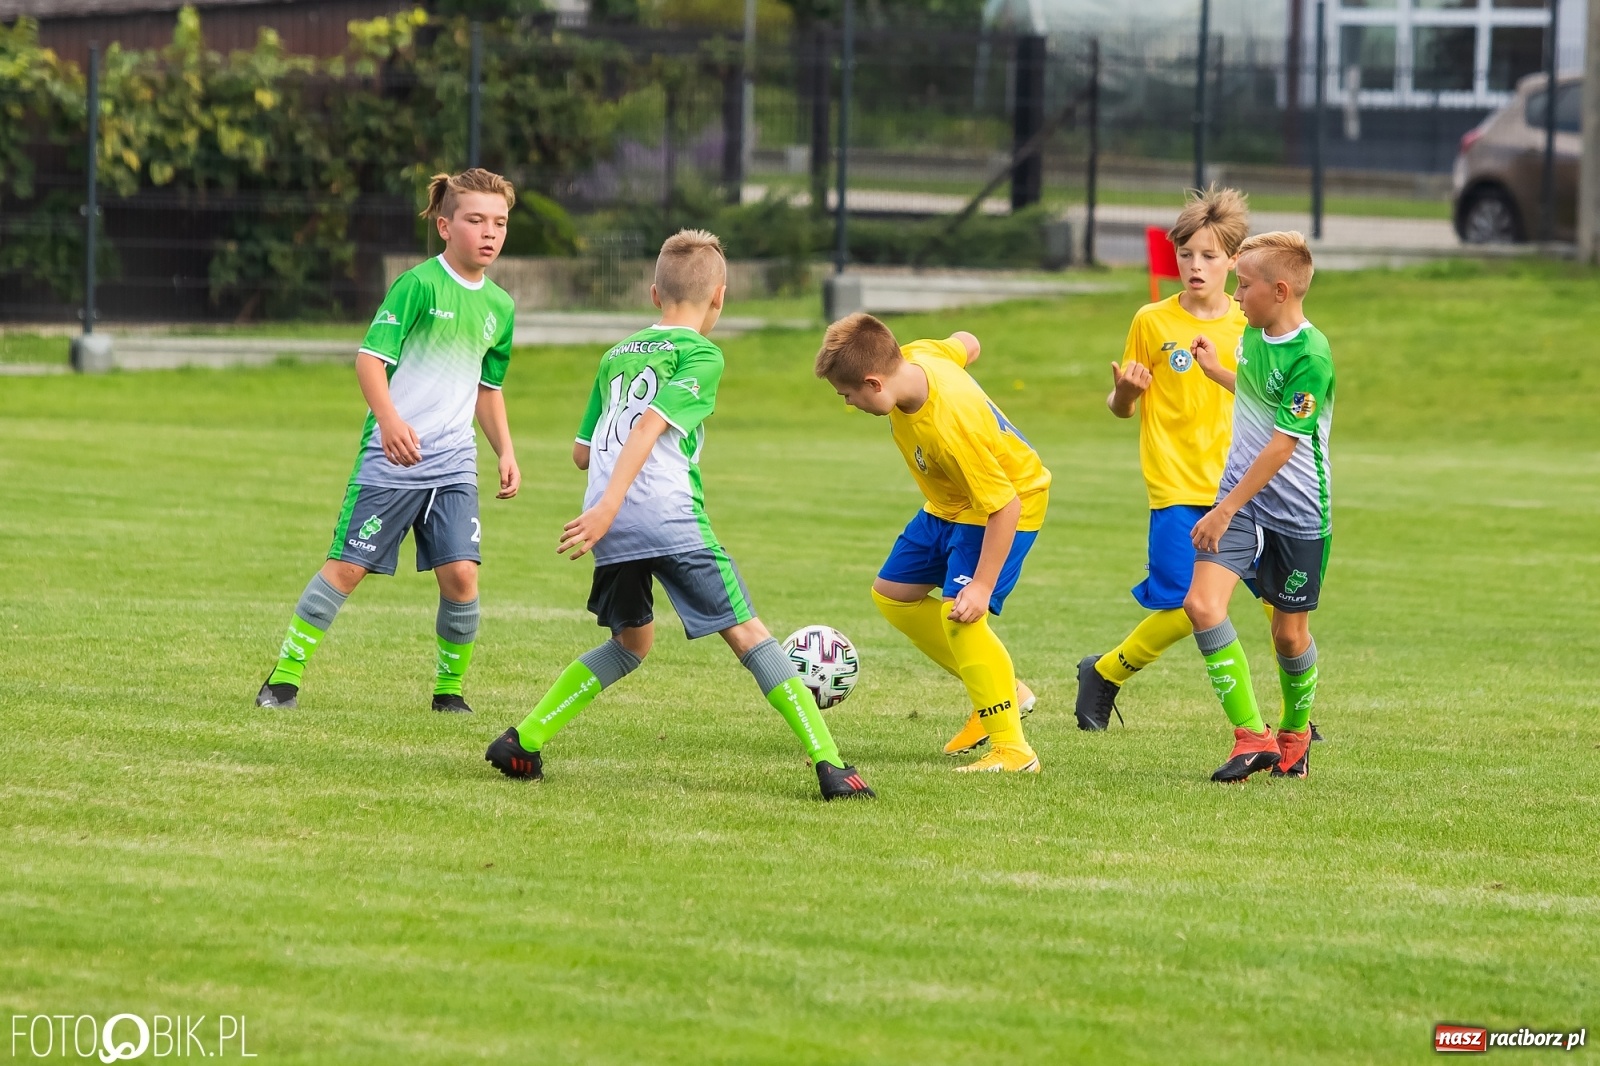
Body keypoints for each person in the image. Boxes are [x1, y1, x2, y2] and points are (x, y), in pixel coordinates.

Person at [485, 230, 874, 801]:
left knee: (631, 643)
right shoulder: (701, 354)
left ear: (653, 294)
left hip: (607, 523)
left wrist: (604, 508)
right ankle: (833, 767)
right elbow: (649, 427)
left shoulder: (616, 355)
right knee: (749, 634)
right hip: (662, 514)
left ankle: (524, 740)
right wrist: (620, 497)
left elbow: (582, 452)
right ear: (720, 296)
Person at [254, 169, 520, 714]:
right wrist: (390, 421)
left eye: (499, 222)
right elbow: (370, 360)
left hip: (452, 461)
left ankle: (449, 693)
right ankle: (282, 679)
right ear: (445, 226)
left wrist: (506, 450)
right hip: (393, 458)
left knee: (462, 574)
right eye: (475, 220)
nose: (489, 232)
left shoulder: (501, 307)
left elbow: (487, 390)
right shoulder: (419, 285)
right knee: (348, 567)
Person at [816, 314, 1051, 773]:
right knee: (892, 595)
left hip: (1005, 502)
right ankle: (1006, 692)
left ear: (873, 382)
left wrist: (981, 588)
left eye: (849, 396)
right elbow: (967, 341)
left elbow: (1005, 507)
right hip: (949, 503)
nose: (849, 404)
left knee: (961, 615)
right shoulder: (919, 356)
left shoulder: (950, 428)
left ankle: (1013, 750)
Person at [1074, 186, 1250, 731]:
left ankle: (1293, 724)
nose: (1195, 266)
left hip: (1244, 488)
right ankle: (1104, 673)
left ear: (1234, 261)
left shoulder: (1250, 323)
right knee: (1183, 608)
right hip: (1176, 488)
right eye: (1186, 254)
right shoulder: (1151, 321)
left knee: (1283, 609)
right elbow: (1121, 407)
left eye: (1209, 256)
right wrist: (1127, 390)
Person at [1184, 231, 1334, 782]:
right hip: (1240, 499)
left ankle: (1296, 735)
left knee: (1288, 637)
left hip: (1296, 513)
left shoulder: (1312, 355)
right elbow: (1256, 394)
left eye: (1244, 286)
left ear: (1279, 290)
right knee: (1201, 605)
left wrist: (1223, 510)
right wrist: (1217, 372)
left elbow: (1282, 444)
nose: (1236, 295)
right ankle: (1252, 738)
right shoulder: (1253, 334)